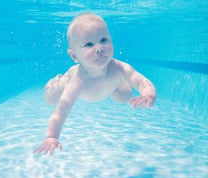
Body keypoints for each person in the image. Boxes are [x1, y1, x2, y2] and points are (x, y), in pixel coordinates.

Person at [33, 13, 156, 156]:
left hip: (110, 85)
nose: (99, 48)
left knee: (124, 97)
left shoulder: (120, 68)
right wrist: (52, 136)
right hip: (69, 81)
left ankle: (116, 84)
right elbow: (62, 112)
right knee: (51, 98)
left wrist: (148, 93)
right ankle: (57, 80)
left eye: (103, 40)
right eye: (89, 44)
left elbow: (140, 80)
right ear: (74, 56)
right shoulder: (77, 82)